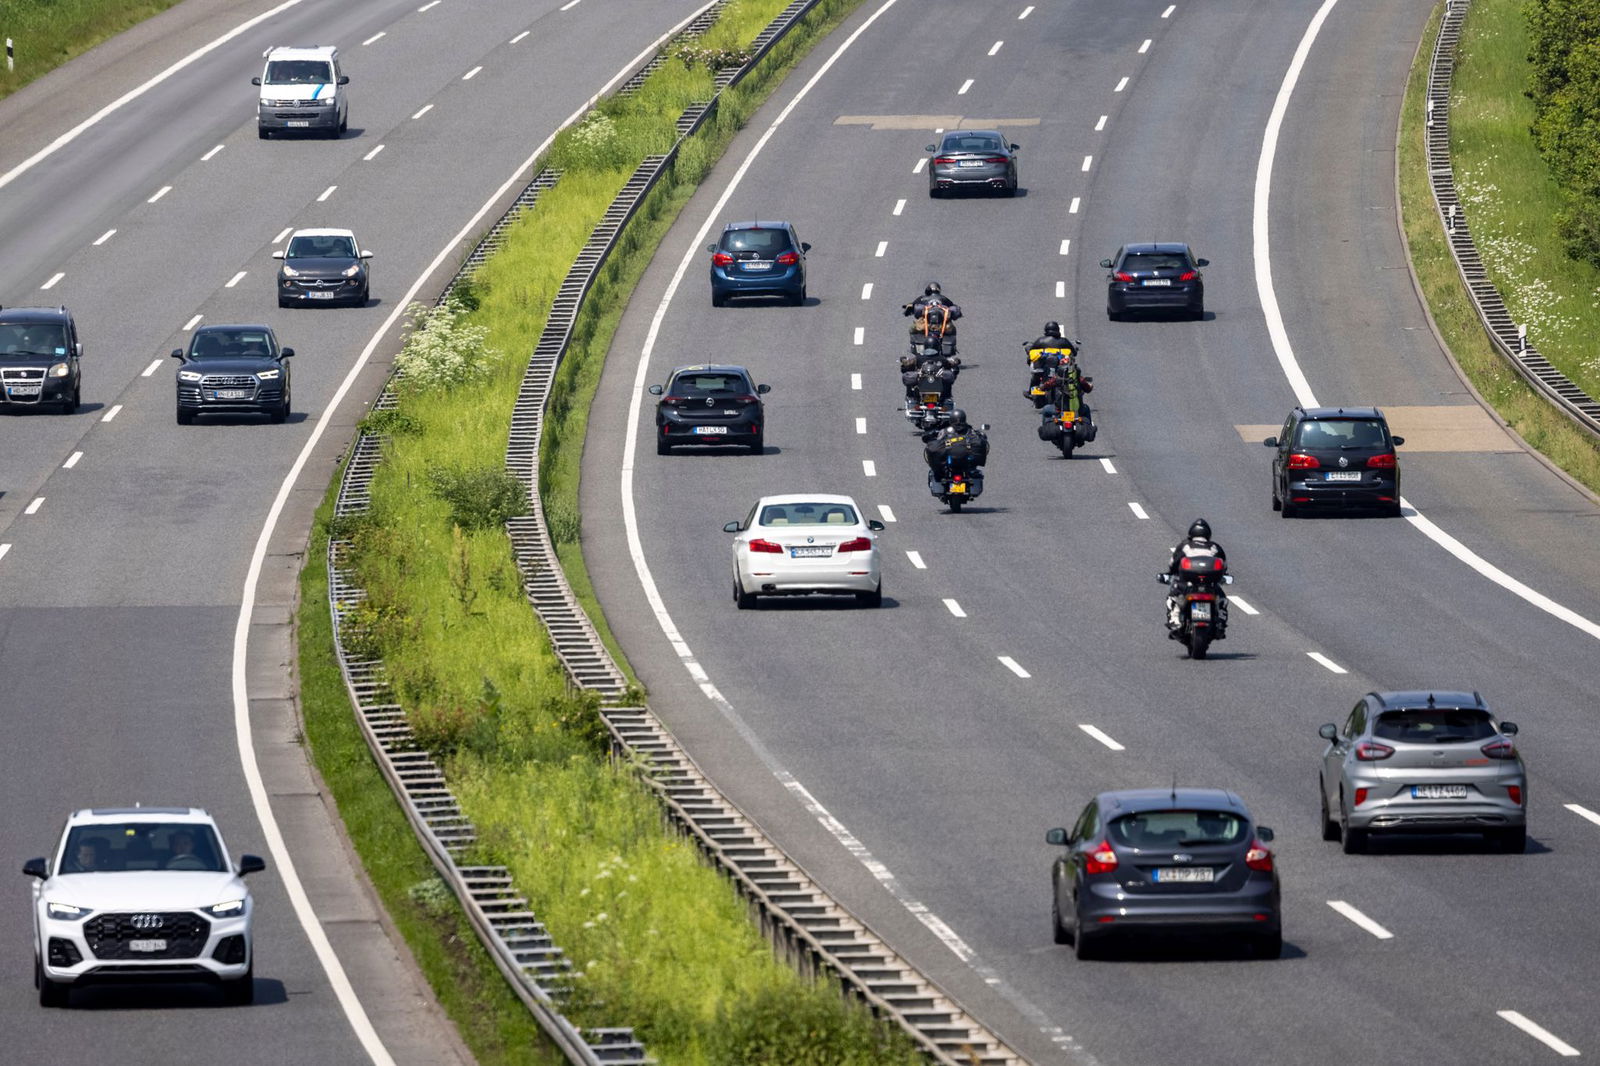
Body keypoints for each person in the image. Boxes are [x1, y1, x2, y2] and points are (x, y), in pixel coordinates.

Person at [1166, 519, 1227, 632]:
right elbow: (1224, 565)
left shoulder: (1185, 545)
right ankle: (1221, 619)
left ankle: (1174, 619)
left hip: (1189, 583)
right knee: (1221, 598)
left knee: (1173, 595)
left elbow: (1173, 563)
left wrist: (1169, 574)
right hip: (1209, 583)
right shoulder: (1215, 547)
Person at [923, 408, 989, 474]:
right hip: (966, 466)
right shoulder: (969, 430)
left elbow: (937, 440)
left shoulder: (945, 431)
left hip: (948, 468)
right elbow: (981, 438)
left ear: (951, 419)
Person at [903, 281, 962, 352]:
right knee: (952, 329)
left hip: (925, 324)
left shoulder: (922, 298)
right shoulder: (944, 298)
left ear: (928, 290)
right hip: (943, 326)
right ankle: (950, 350)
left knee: (912, 328)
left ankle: (915, 348)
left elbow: (911, 306)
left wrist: (907, 310)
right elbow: (954, 308)